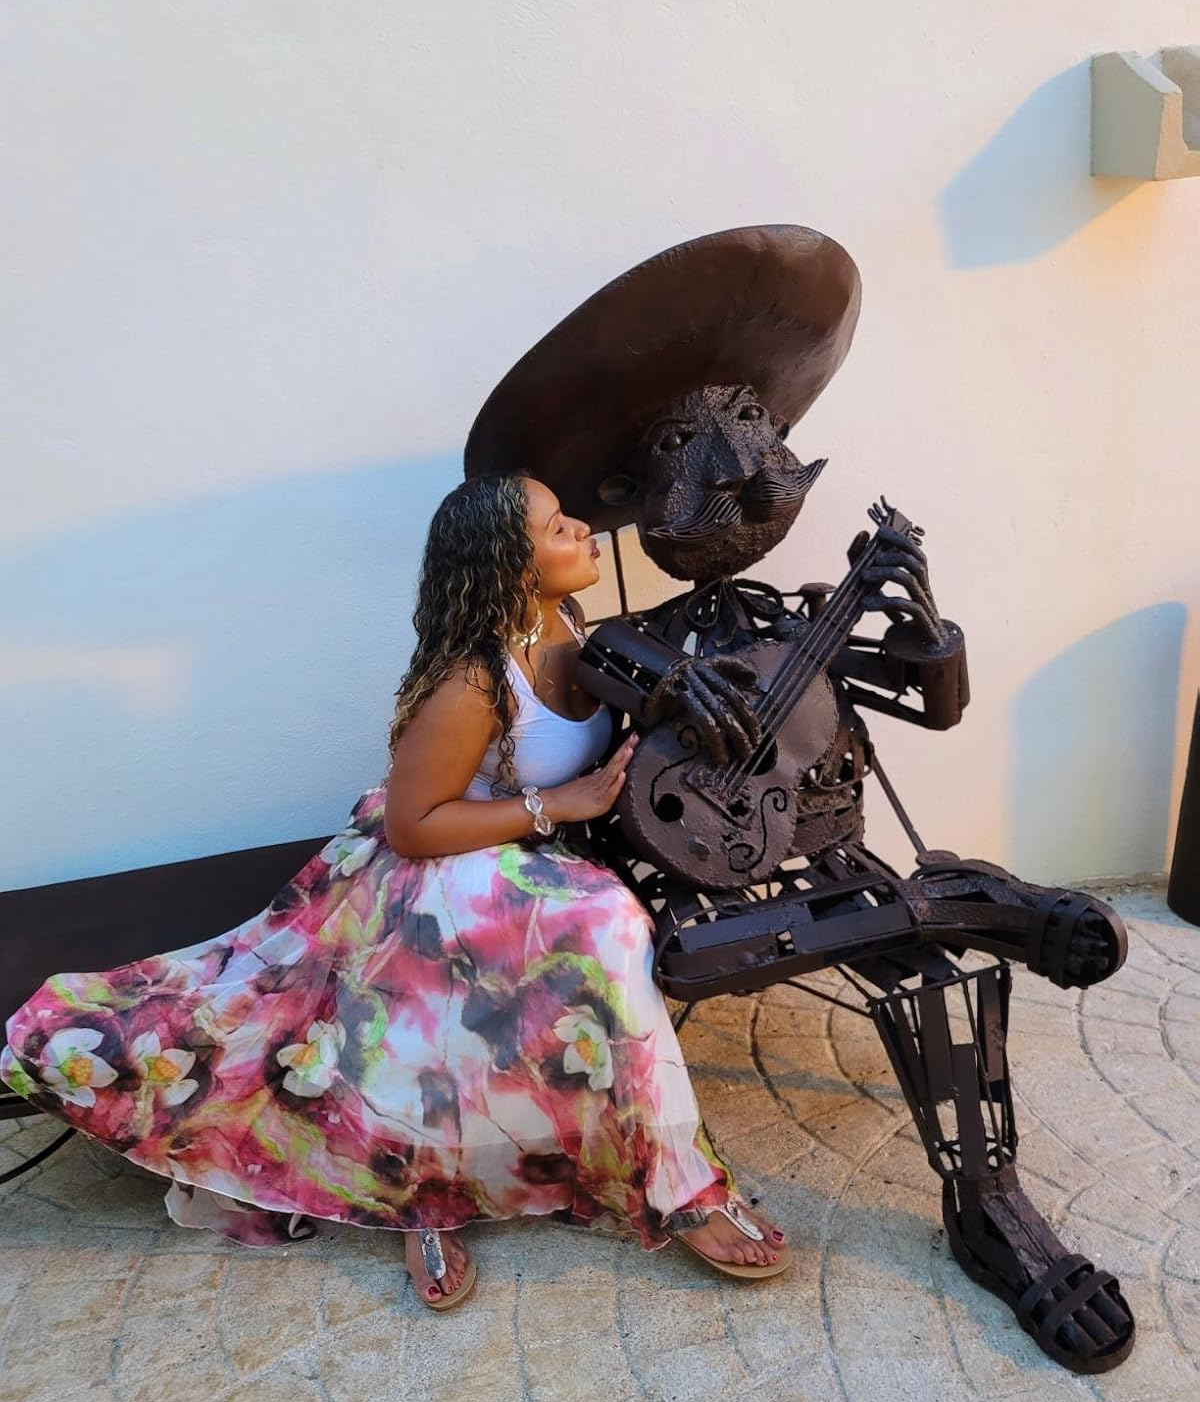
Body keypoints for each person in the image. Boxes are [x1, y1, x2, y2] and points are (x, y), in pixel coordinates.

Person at [1, 470, 789, 1310]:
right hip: (439, 856)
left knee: (586, 934)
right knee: (608, 926)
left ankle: (454, 1176)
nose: (582, 530)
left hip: (522, 850)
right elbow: (416, 824)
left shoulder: (566, 621)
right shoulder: (473, 682)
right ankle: (636, 1188)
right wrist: (559, 804)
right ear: (511, 565)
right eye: (557, 527)